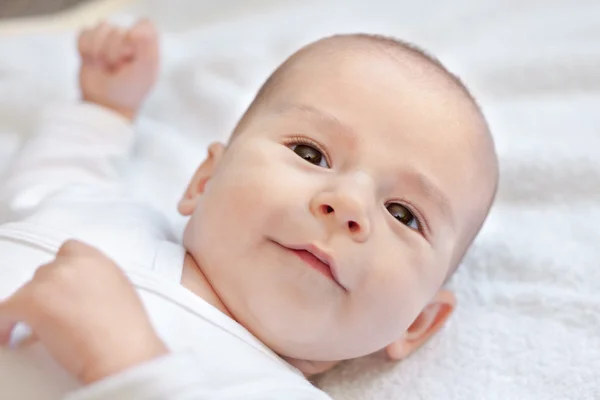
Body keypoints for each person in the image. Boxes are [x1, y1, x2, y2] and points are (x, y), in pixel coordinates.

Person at [0, 19, 498, 399]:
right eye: (310, 154)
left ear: (417, 323)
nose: (347, 203)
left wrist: (131, 364)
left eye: (404, 214)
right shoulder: (104, 213)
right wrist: (104, 109)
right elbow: (58, 173)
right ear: (204, 179)